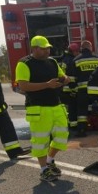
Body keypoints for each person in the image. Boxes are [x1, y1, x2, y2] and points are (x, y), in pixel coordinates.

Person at [15, 36, 70, 182]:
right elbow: (23, 86)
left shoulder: (52, 61)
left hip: (56, 105)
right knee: (40, 141)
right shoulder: (24, 64)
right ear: (34, 48)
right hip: (38, 107)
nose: (47, 50)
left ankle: (50, 161)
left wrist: (65, 80)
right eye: (44, 48)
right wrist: (47, 84)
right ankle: (43, 170)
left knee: (62, 136)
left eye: (48, 48)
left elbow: (62, 76)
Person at [68, 40, 98, 137]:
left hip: (82, 90)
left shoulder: (76, 60)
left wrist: (73, 89)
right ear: (90, 47)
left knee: (82, 110)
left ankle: (82, 130)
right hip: (97, 89)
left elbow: (72, 78)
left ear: (81, 48)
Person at [59, 42, 79, 131]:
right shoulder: (72, 61)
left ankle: (69, 124)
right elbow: (72, 77)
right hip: (70, 88)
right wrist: (74, 90)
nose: (78, 53)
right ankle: (73, 125)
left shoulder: (65, 59)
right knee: (73, 107)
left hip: (64, 88)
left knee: (68, 107)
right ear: (74, 51)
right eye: (77, 51)